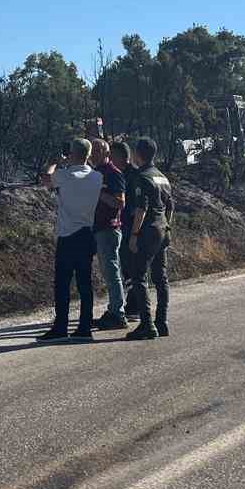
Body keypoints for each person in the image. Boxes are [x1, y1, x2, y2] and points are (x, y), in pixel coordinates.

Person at [37, 135, 102, 341]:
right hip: (87, 233)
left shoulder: (65, 175)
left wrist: (54, 162)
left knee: (63, 283)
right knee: (85, 283)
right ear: (89, 155)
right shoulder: (97, 177)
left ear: (71, 153)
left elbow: (46, 180)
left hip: (68, 235)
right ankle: (84, 326)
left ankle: (61, 326)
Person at [122, 137, 174, 341]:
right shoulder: (162, 177)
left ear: (138, 154)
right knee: (161, 278)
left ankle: (146, 324)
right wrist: (167, 224)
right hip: (163, 230)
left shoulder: (141, 177)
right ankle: (162, 322)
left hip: (147, 232)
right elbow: (170, 206)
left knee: (138, 276)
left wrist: (134, 235)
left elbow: (141, 209)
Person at [90, 129, 130, 330]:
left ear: (106, 153)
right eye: (91, 151)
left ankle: (118, 313)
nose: (93, 154)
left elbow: (120, 202)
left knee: (112, 271)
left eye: (97, 151)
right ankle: (114, 309)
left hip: (109, 229)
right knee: (108, 271)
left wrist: (98, 193)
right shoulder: (94, 173)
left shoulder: (113, 173)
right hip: (97, 228)